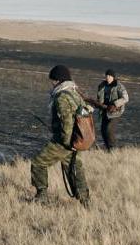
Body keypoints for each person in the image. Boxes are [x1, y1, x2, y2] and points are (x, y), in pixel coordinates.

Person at [30, 65, 90, 207]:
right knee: (74, 169)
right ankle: (85, 201)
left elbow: (67, 122)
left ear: (58, 80)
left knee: (38, 163)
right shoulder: (75, 92)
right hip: (77, 139)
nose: (52, 83)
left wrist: (65, 142)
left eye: (53, 80)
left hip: (65, 141)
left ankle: (41, 195)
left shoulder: (61, 96)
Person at [93, 69, 129, 151]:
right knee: (103, 131)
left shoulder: (119, 86)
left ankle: (113, 148)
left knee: (109, 129)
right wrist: (97, 104)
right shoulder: (101, 85)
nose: (107, 77)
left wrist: (115, 104)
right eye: (106, 75)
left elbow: (126, 98)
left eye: (109, 76)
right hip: (104, 111)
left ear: (113, 77)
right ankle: (108, 148)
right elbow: (99, 98)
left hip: (115, 112)